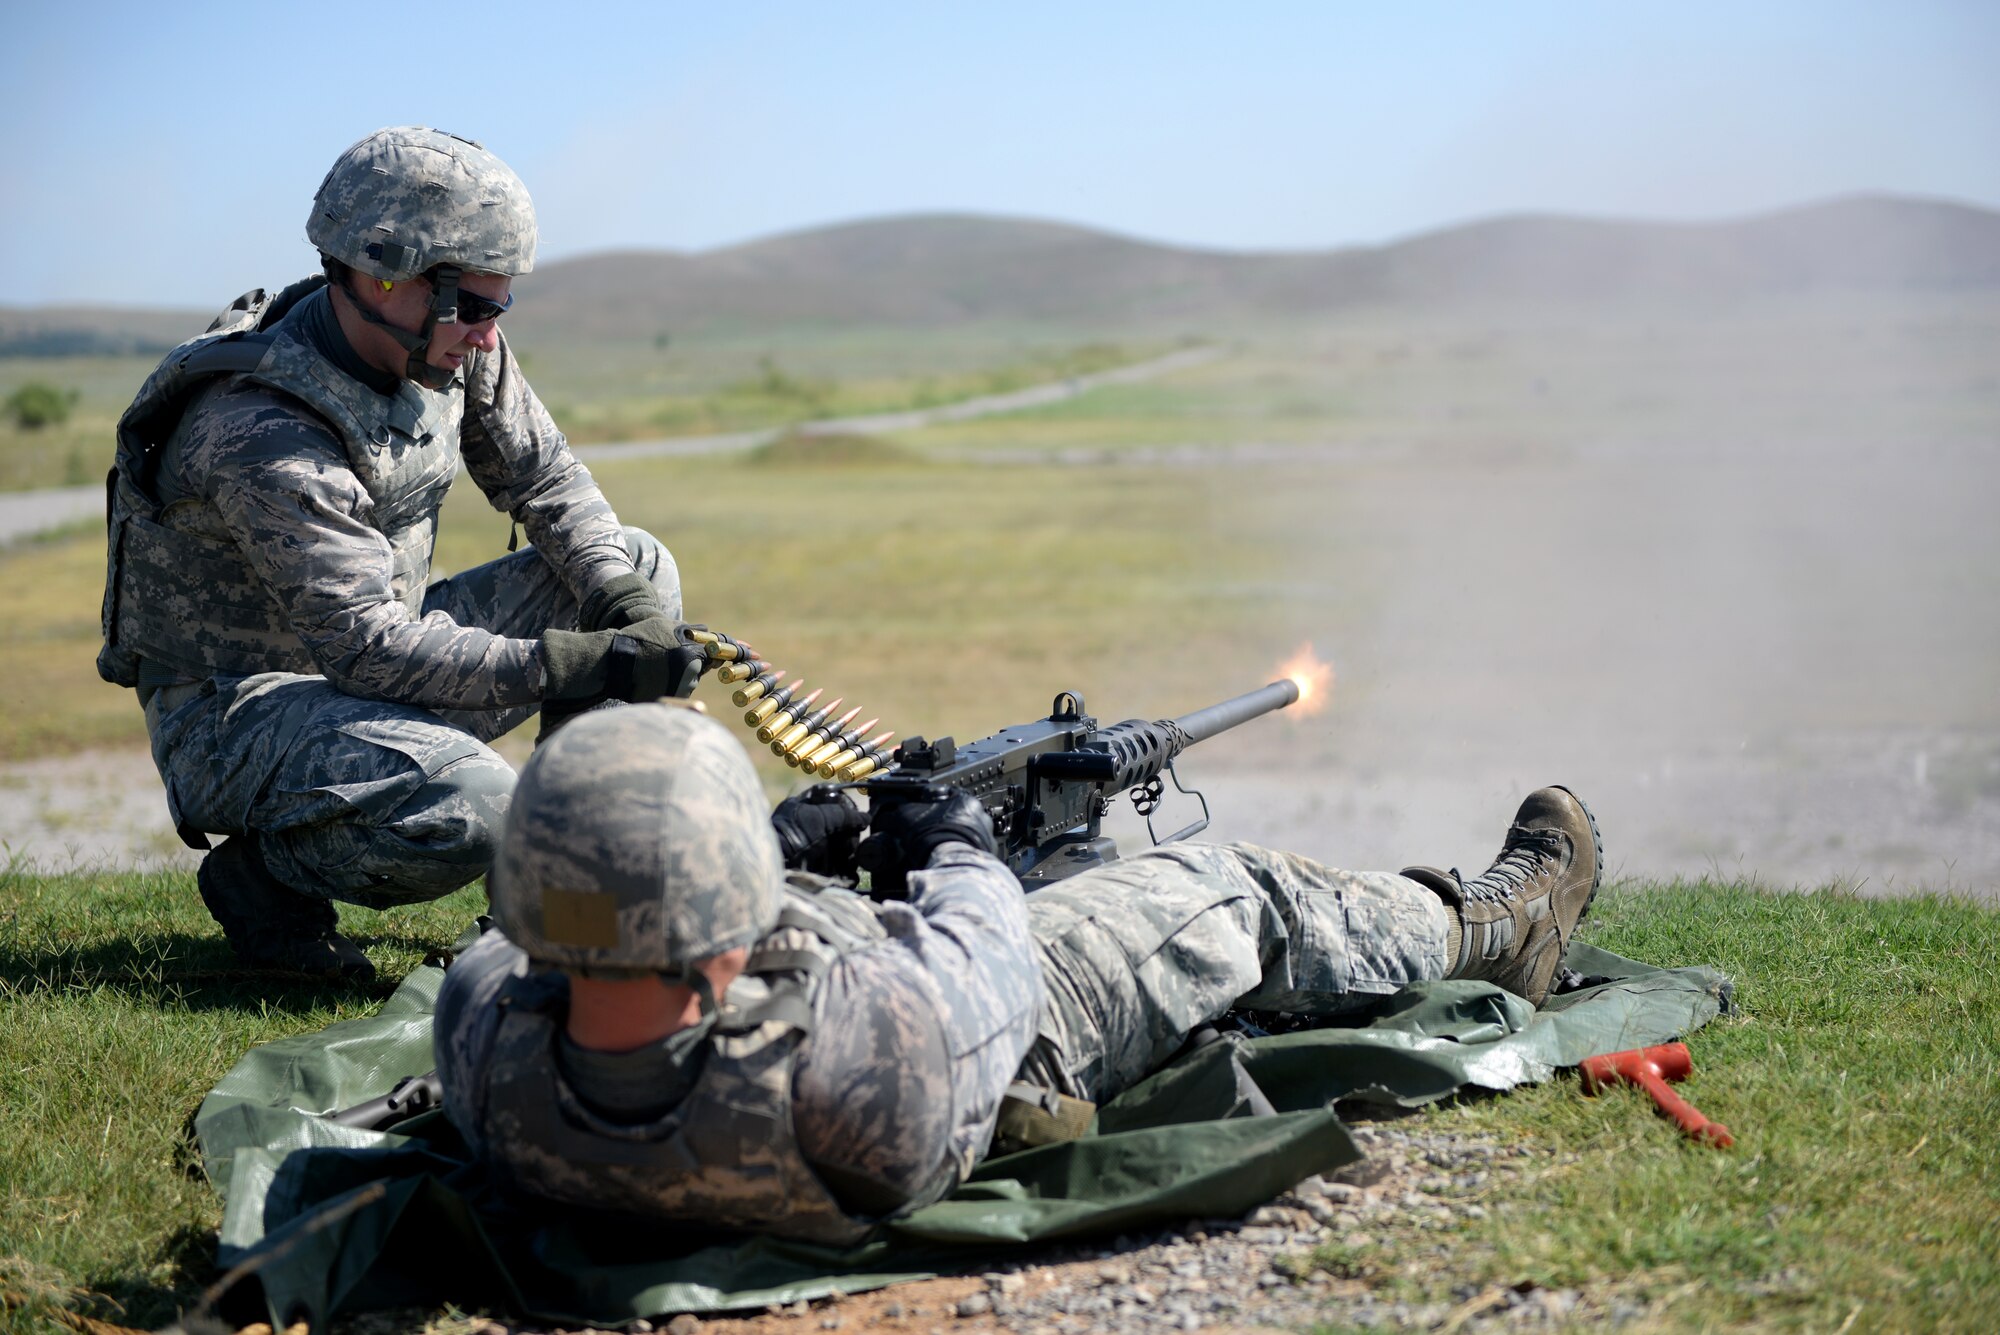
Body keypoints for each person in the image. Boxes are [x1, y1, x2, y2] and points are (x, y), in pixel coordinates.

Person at [433, 703, 1601, 1243]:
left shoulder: (485, 1045)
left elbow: (511, 945)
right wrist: (952, 847)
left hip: (796, 971)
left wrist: (779, 855)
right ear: (721, 923)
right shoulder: (866, 1066)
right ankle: (1497, 928)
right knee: (1224, 887)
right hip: (1003, 1041)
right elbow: (984, 945)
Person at [98, 127, 705, 982]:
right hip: (239, 708)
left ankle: (545, 904)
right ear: (384, 274)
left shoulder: (446, 341)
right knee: (476, 806)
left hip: (379, 656)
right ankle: (264, 879)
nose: (490, 336)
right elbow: (365, 644)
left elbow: (547, 478)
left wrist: (622, 607)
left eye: (501, 308)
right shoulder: (262, 423)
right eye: (477, 307)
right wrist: (570, 664)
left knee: (636, 567)